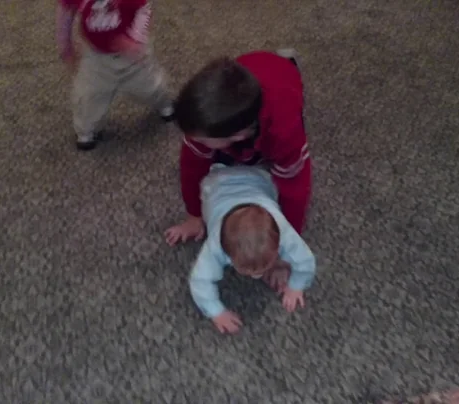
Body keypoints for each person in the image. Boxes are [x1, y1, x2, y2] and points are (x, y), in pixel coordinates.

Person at [164, 49, 311, 245]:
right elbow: (191, 166)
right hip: (248, 68)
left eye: (202, 139)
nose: (191, 140)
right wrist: (194, 215)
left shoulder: (284, 131)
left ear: (238, 135)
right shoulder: (203, 119)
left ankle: (289, 61)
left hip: (283, 78)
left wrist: (288, 243)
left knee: (264, 163)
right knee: (213, 157)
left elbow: (296, 189)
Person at [189, 164, 316, 334]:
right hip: (215, 185)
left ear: (279, 244)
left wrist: (296, 285)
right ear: (225, 252)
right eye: (247, 270)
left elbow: (305, 260)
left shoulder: (283, 231)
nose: (256, 276)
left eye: (262, 268)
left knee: (273, 186)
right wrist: (216, 312)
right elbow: (199, 280)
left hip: (258, 178)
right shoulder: (215, 245)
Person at [56, 0, 174, 150]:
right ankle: (86, 130)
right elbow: (66, 10)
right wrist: (64, 42)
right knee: (88, 96)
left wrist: (135, 39)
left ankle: (164, 103)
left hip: (131, 56)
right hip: (96, 56)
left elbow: (144, 10)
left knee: (150, 86)